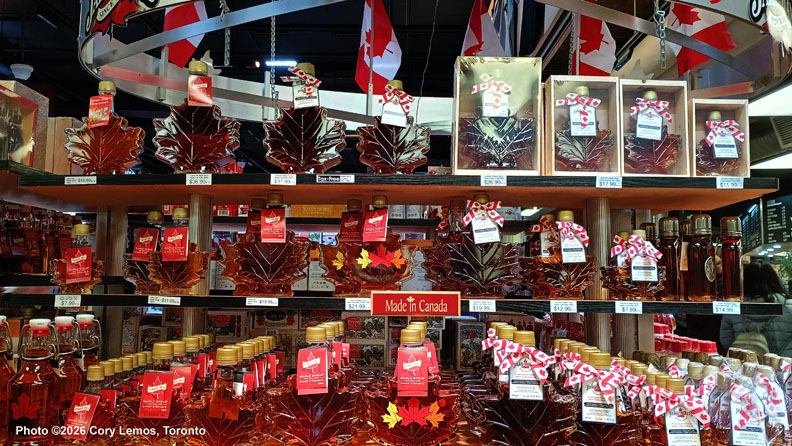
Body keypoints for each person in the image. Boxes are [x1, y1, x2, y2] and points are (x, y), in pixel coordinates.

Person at [720, 261, 792, 356]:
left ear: (744, 282)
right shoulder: (789, 306)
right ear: (775, 281)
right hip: (784, 366)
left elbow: (726, 340)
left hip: (746, 366)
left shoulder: (734, 308)